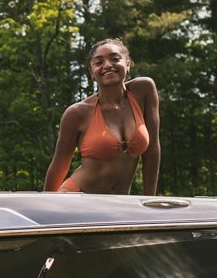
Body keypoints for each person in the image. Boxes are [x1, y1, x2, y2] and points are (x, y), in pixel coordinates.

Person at [44, 38, 160, 195]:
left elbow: (152, 150)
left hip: (118, 204)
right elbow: (59, 166)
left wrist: (149, 200)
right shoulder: (77, 113)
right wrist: (45, 208)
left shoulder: (144, 91)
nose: (107, 65)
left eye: (114, 58)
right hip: (76, 198)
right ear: (92, 73)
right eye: (98, 63)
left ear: (127, 63)